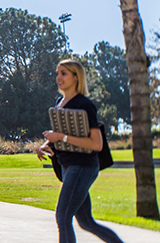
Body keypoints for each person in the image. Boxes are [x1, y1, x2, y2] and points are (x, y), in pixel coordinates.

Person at [37, 60, 124, 243]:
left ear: (76, 77)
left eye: (64, 73)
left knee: (63, 216)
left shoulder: (84, 105)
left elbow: (96, 144)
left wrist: (60, 137)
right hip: (68, 166)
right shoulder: (60, 102)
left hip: (83, 167)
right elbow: (62, 133)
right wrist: (47, 144)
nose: (58, 77)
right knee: (86, 222)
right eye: (58, 73)